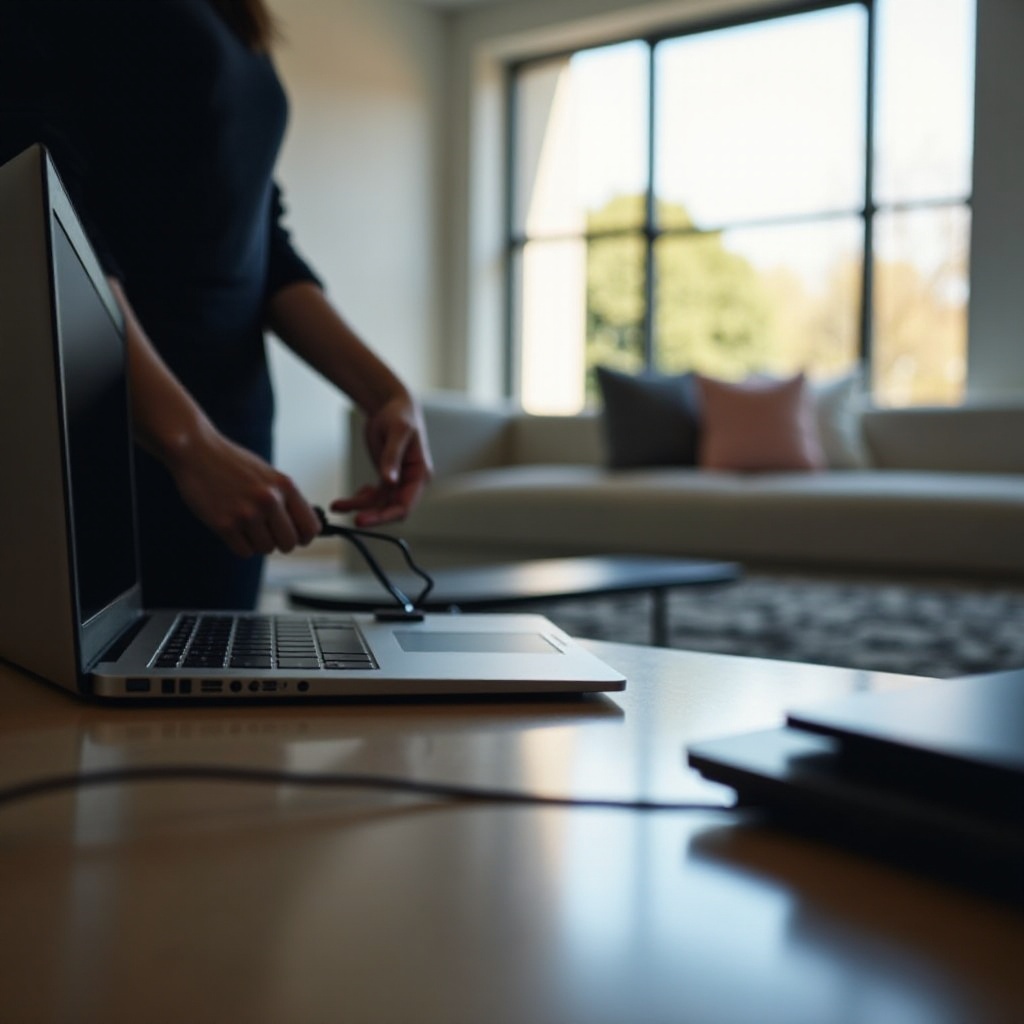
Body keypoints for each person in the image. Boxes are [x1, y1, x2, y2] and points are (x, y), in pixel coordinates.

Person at [0, 0, 432, 609]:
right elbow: (42, 206)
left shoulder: (234, 14)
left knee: (211, 680)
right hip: (114, 427)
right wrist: (188, 444)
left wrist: (387, 393)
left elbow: (261, 240)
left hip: (233, 434)